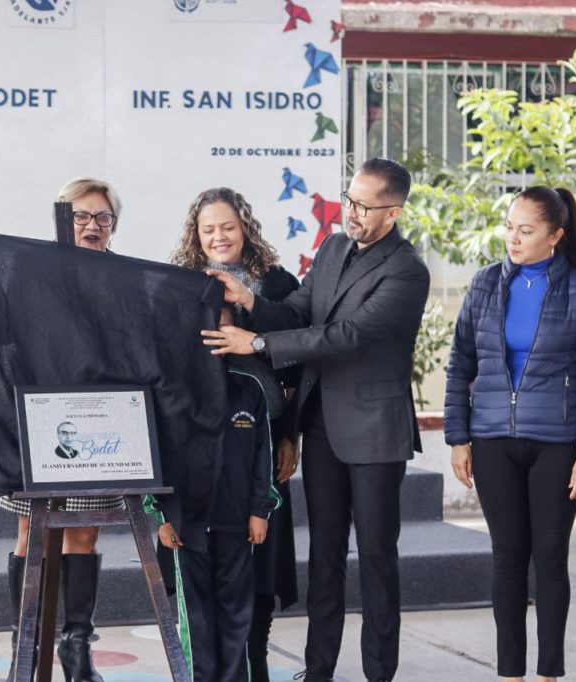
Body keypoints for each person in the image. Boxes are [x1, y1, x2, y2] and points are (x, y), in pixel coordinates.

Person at [201, 158, 430, 682]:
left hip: (375, 432)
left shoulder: (407, 270)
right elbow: (299, 311)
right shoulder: (333, 248)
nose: (351, 212)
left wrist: (257, 343)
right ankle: (318, 669)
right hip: (322, 424)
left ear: (393, 212)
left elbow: (347, 336)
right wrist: (249, 300)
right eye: (349, 199)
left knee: (376, 558)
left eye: (364, 205)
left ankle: (379, 673)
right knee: (324, 556)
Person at [445, 186, 576, 682]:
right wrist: (458, 437)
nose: (513, 238)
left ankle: (548, 674)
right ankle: (510, 673)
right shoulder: (486, 283)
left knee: (549, 560)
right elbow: (460, 363)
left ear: (555, 235)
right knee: (507, 559)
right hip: (492, 441)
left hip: (557, 444)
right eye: (509, 227)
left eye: (526, 231)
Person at [0, 176, 125, 682]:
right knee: (31, 529)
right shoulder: (33, 273)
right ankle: (24, 645)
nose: (92, 225)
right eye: (81, 216)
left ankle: (76, 647)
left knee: (84, 532)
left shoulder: (125, 279)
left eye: (103, 217)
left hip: (99, 424)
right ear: (61, 220)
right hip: (39, 420)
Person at [169, 187, 300, 681]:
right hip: (196, 459)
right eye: (208, 229)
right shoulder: (180, 281)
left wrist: (289, 435)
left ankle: (254, 661)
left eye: (228, 226)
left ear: (245, 226)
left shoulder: (276, 281)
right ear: (196, 234)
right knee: (198, 579)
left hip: (257, 443)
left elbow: (297, 356)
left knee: (257, 567)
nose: (219, 236)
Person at [155, 301, 275, 682]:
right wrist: (160, 516)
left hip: (236, 522)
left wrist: (259, 510)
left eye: (222, 327)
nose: (213, 334)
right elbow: (156, 457)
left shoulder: (249, 389)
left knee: (236, 612)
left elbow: (263, 456)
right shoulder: (172, 390)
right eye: (205, 326)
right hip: (186, 526)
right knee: (196, 615)